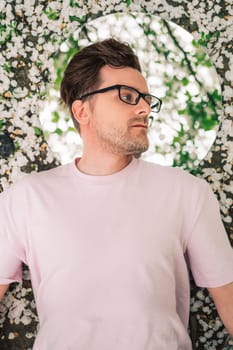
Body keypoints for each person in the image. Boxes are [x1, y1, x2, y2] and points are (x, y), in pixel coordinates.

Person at [0, 38, 232, 350]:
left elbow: (229, 302)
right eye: (127, 96)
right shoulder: (27, 197)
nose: (144, 108)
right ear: (82, 110)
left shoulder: (186, 193)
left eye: (147, 99)